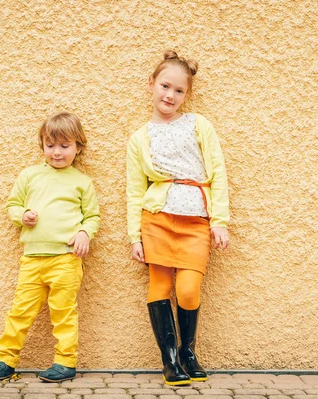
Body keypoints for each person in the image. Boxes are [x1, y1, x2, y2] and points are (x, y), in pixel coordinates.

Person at [126, 50, 230, 386]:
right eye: (165, 86)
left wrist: (220, 221)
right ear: (151, 85)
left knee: (187, 290)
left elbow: (218, 173)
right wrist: (134, 236)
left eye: (179, 90)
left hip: (195, 220)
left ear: (187, 94)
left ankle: (188, 353)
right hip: (156, 219)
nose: (170, 95)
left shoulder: (199, 125)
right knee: (160, 285)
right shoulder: (140, 138)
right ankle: (170, 361)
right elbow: (133, 190)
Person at [0, 112, 100, 382]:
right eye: (50, 146)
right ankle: (7, 359)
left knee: (63, 312)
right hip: (33, 259)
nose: (57, 152)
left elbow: (93, 216)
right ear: (42, 146)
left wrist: (84, 232)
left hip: (66, 259)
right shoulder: (30, 176)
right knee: (20, 311)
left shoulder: (82, 182)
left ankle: (65, 362)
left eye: (64, 146)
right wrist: (21, 215)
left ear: (78, 147)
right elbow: (12, 205)